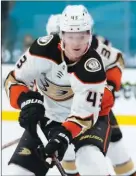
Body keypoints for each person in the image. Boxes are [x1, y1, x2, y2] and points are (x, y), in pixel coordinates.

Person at [4, 5, 114, 175]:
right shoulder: (41, 50)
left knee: (91, 163)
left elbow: (83, 116)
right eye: (70, 36)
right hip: (48, 119)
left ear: (90, 35)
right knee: (16, 173)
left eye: (82, 36)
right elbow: (14, 80)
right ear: (61, 35)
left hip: (87, 124)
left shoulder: (92, 67)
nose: (76, 43)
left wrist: (63, 135)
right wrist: (26, 102)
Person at [45, 12, 136, 176]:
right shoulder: (43, 54)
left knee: (118, 155)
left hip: (94, 110)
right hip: (63, 113)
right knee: (69, 159)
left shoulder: (92, 45)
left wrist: (109, 87)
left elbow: (116, 60)